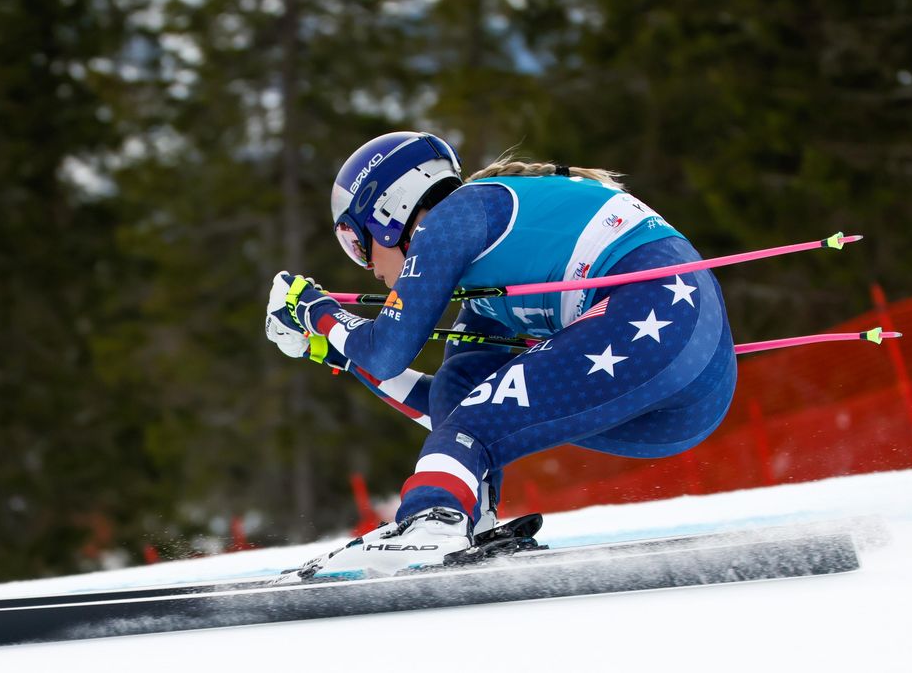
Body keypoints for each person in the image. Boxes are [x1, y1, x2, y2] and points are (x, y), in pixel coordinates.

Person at [265, 131, 736, 579]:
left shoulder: (456, 216)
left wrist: (314, 311)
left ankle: (433, 522)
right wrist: (340, 353)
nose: (367, 267)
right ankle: (462, 519)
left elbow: (386, 351)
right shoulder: (486, 285)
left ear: (391, 212)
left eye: (355, 243)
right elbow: (450, 409)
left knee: (474, 428)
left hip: (657, 307)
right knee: (466, 409)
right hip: (693, 381)